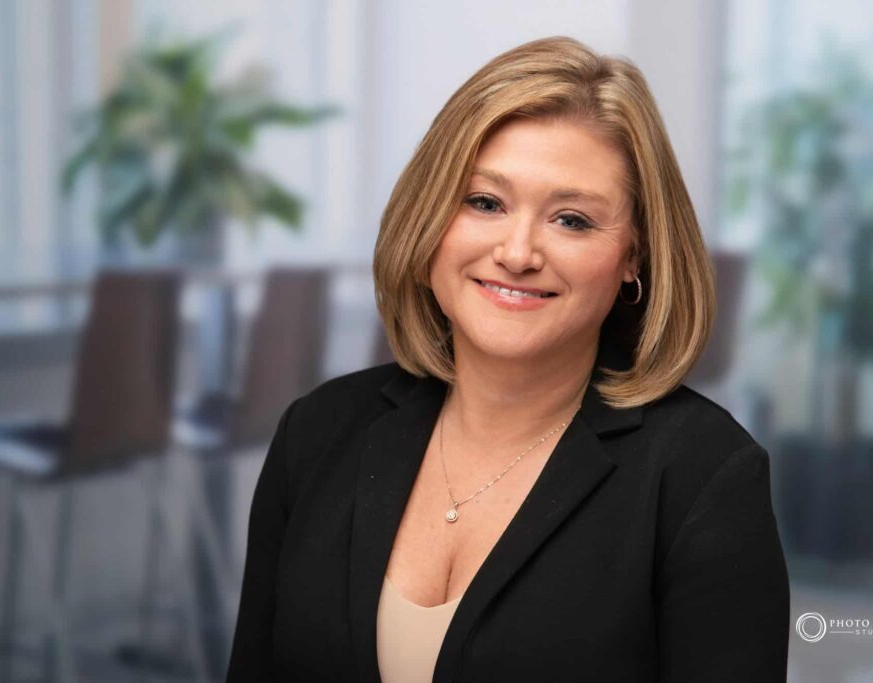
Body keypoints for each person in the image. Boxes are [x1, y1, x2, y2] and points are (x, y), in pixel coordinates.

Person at [226, 36, 790, 682]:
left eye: (571, 219)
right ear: (431, 216)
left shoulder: (704, 480)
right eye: (485, 202)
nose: (518, 252)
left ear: (634, 255)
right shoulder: (316, 433)